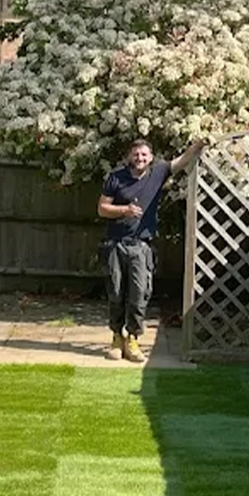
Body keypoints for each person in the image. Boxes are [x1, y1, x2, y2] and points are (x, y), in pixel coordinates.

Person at [98, 137, 205, 361]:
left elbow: (182, 161)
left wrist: (197, 146)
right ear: (129, 156)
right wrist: (124, 210)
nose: (140, 158)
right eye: (136, 154)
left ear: (151, 157)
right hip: (115, 244)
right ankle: (117, 338)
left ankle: (133, 339)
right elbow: (102, 209)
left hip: (141, 246)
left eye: (144, 154)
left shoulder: (158, 172)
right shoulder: (116, 177)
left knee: (139, 294)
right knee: (116, 293)